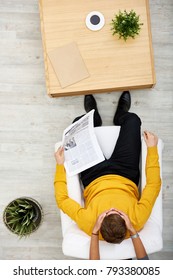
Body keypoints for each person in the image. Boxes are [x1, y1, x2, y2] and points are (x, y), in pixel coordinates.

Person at [54, 91, 161, 244]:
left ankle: (93, 118)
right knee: (133, 119)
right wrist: (152, 149)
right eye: (118, 211)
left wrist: (59, 165)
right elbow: (153, 185)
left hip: (93, 177)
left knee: (77, 123)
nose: (112, 207)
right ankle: (121, 114)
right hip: (125, 174)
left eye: (106, 213)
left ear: (99, 222)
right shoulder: (138, 219)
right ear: (127, 222)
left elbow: (62, 200)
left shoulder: (88, 223)